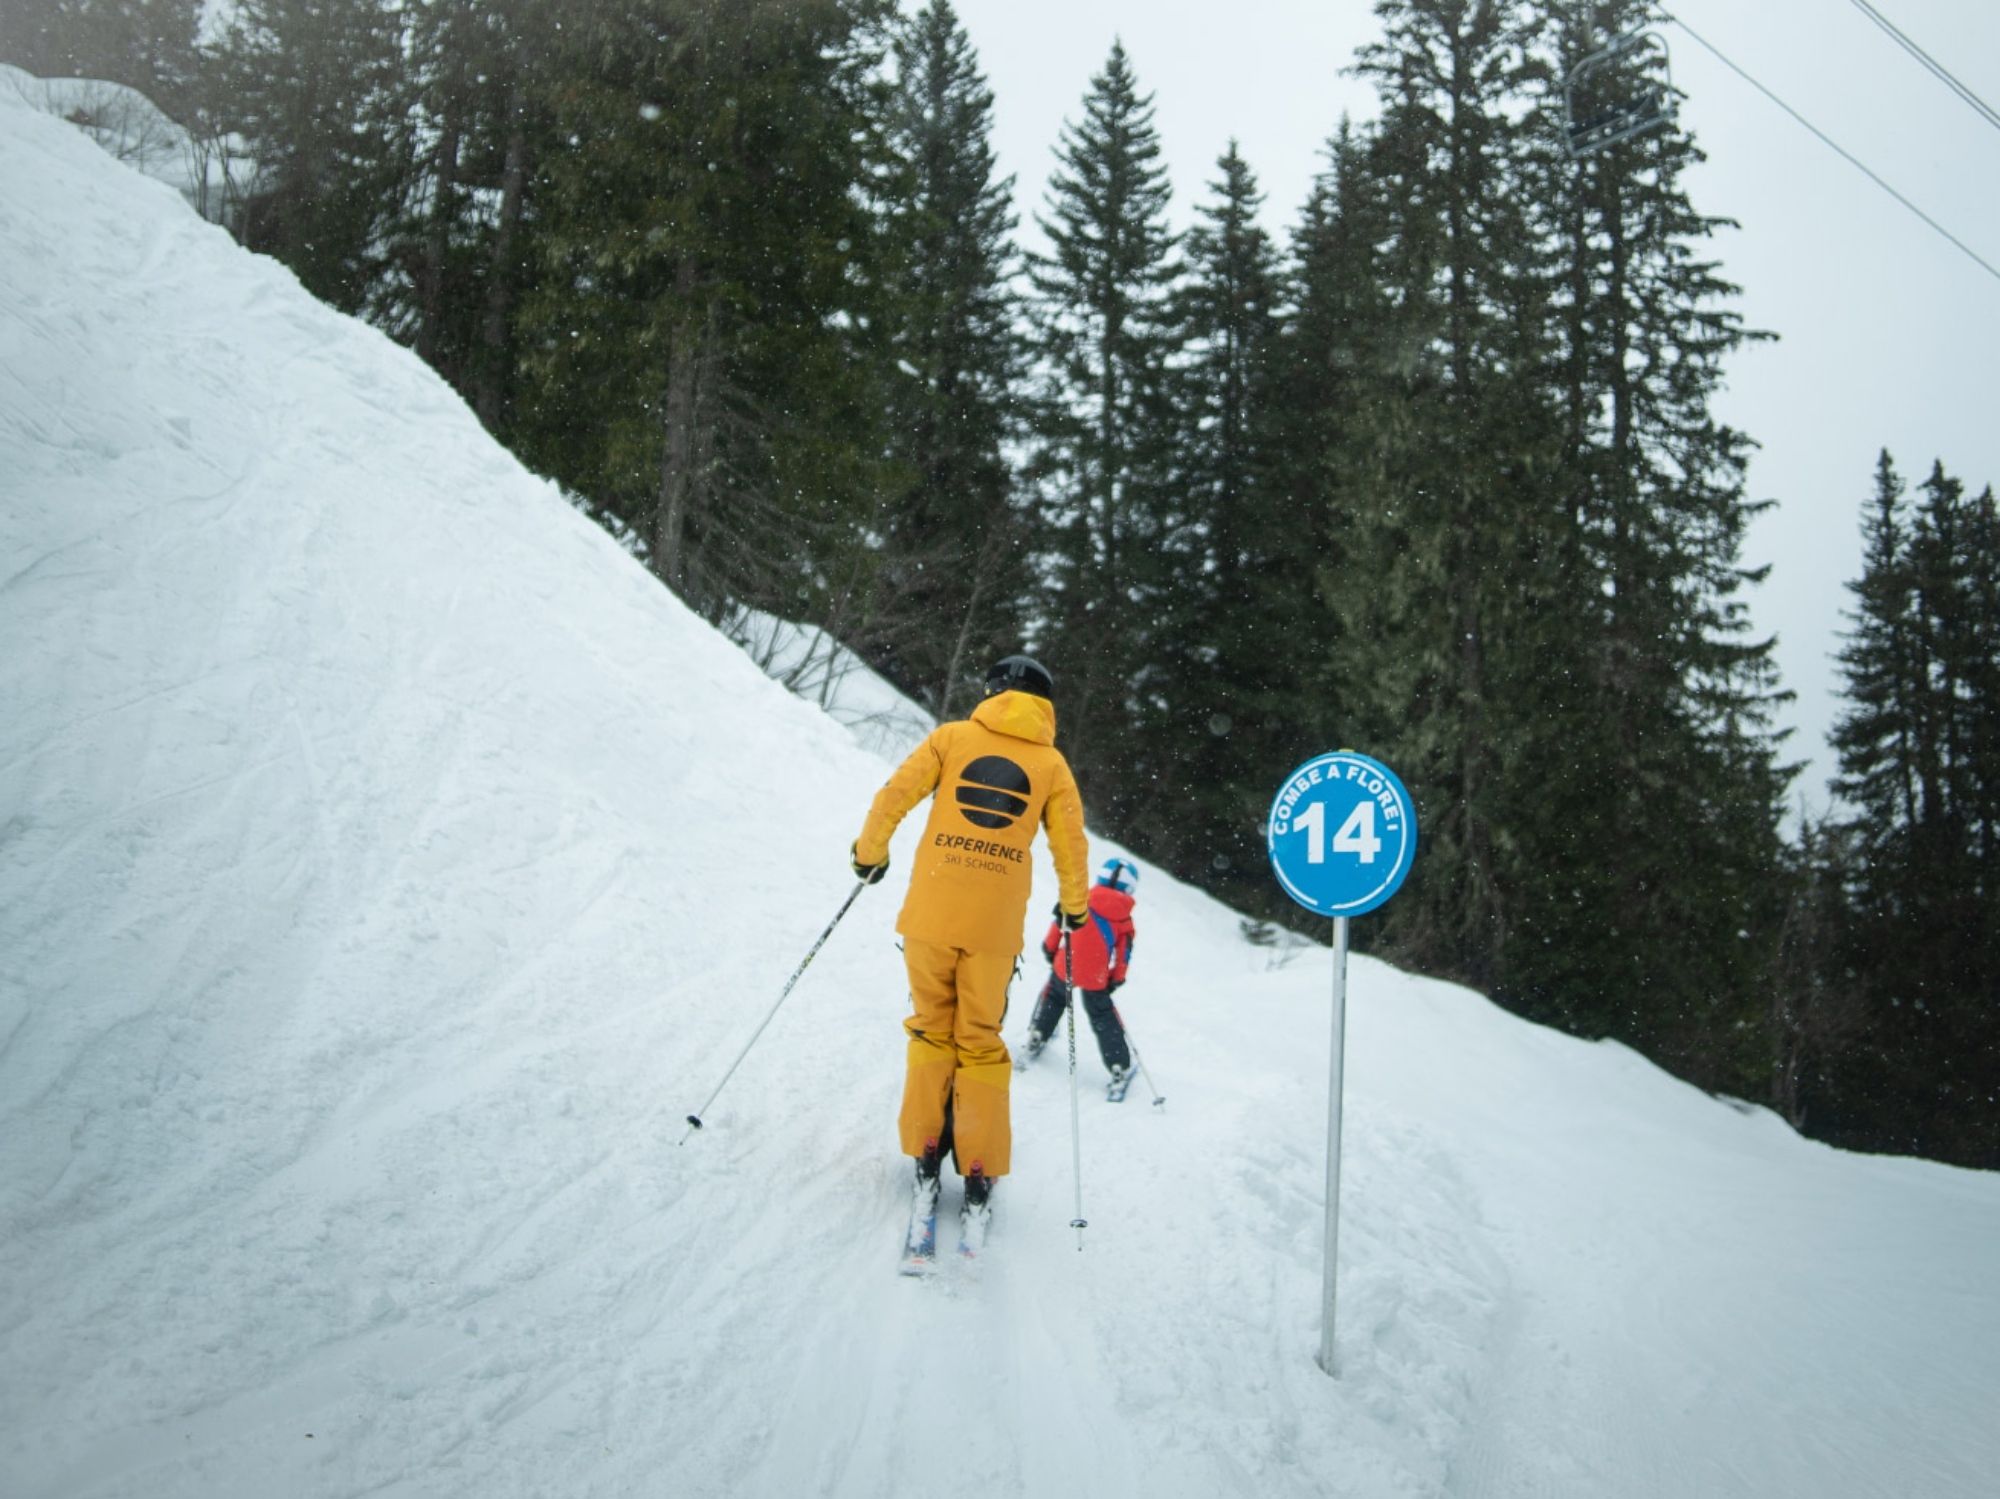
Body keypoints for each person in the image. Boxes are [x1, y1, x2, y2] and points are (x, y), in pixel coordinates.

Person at [849, 654, 1090, 1247]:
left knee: (932, 1030)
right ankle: (978, 1171)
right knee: (979, 1043)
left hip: (930, 915)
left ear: (992, 692)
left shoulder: (952, 738)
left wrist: (868, 854)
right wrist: (1074, 906)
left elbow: (893, 797)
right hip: (992, 929)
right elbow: (1070, 843)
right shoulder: (1051, 764)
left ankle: (927, 1156)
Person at [1019, 857, 1141, 1100]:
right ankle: (1118, 1066)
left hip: (1067, 963)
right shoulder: (1124, 918)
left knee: (1054, 995)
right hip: (1096, 976)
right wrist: (1116, 977)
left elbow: (1059, 924)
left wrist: (1050, 948)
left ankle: (1038, 1034)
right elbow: (1124, 952)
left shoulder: (1080, 897)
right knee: (1102, 1015)